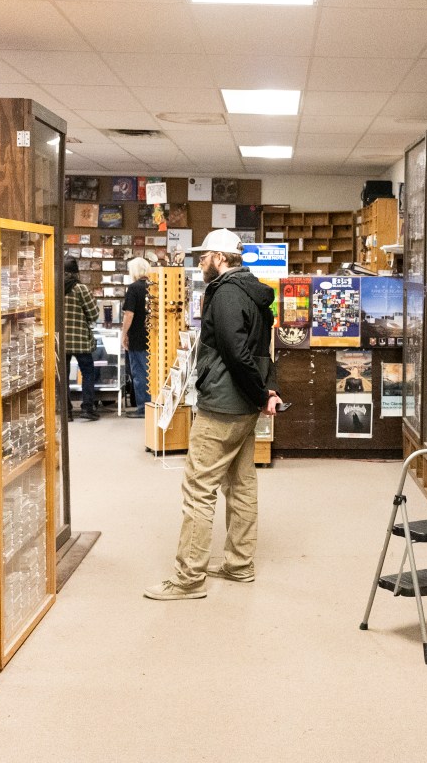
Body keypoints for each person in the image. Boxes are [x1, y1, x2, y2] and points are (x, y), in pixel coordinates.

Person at [145, 228, 283, 601]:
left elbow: (236, 354)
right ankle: (239, 564)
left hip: (222, 406)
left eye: (204, 256)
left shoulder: (223, 294)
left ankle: (188, 578)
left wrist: (260, 392)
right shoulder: (255, 292)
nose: (201, 262)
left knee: (198, 489)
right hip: (244, 407)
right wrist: (265, 391)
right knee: (241, 485)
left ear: (220, 258)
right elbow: (262, 349)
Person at [63, 256, 99, 421]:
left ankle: (66, 412)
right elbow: (93, 313)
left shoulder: (54, 288)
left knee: (62, 376)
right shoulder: (80, 289)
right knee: (88, 372)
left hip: (60, 341)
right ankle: (87, 408)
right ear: (76, 272)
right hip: (80, 340)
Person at [122, 256, 153, 418]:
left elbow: (129, 314)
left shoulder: (133, 288)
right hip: (153, 337)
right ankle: (152, 406)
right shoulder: (155, 286)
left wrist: (124, 334)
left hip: (137, 337)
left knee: (140, 374)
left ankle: (143, 408)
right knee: (151, 373)